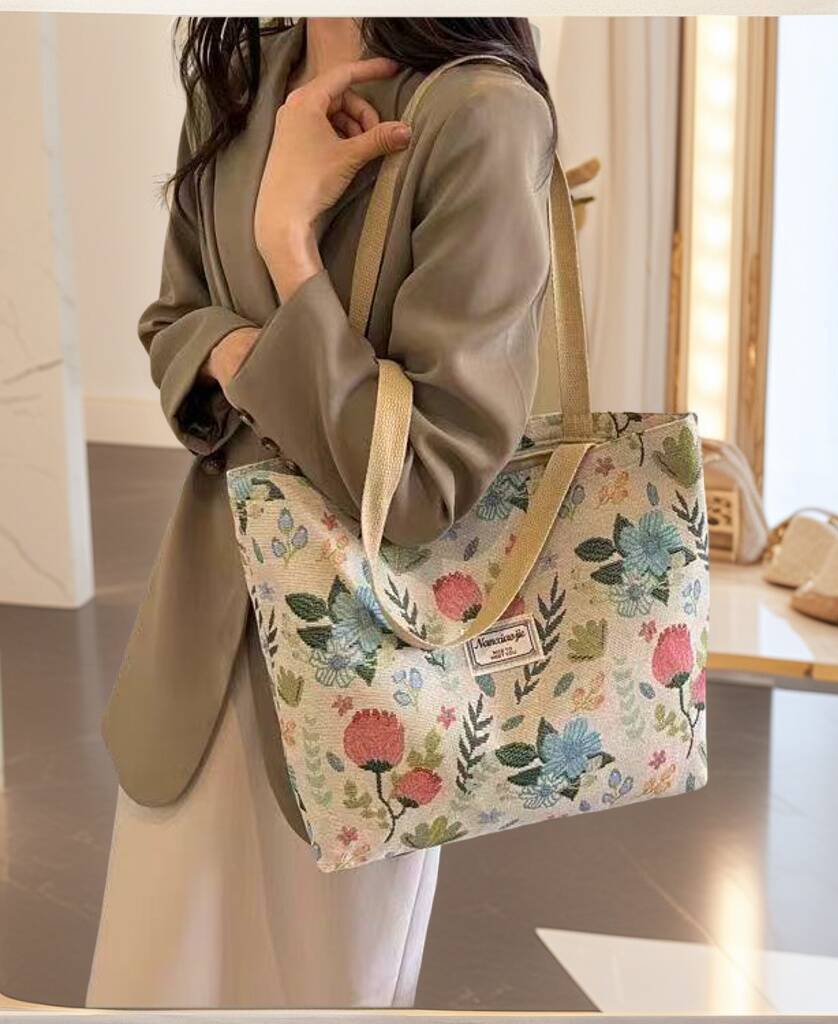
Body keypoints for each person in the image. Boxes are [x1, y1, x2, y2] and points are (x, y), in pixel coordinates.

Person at [87, 15, 555, 1009]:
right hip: (199, 645)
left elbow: (421, 481)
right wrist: (239, 354)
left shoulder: (480, 115)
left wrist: (287, 246)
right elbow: (174, 323)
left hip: (366, 678)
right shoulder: (236, 77)